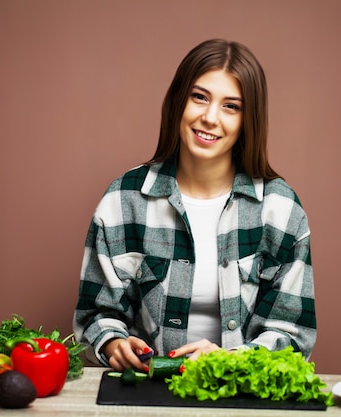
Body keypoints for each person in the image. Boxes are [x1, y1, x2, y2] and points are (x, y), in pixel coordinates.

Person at [73, 39, 316, 372]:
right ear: (178, 102)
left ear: (249, 120)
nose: (210, 117)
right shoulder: (123, 200)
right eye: (199, 97)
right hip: (147, 397)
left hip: (241, 400)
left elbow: (293, 335)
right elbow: (95, 317)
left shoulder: (281, 211)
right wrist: (114, 343)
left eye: (231, 106)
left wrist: (228, 361)